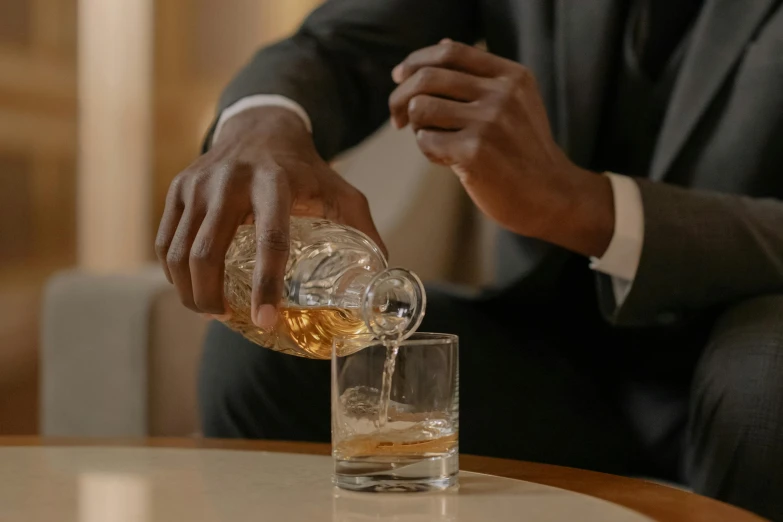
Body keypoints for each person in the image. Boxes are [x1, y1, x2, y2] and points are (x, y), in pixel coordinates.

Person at [155, 0, 783, 518]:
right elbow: (336, 45)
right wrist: (261, 123)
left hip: (744, 351)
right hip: (551, 362)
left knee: (766, 381)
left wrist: (582, 207)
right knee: (254, 355)